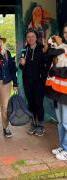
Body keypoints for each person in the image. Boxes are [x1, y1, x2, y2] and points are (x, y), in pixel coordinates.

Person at [19, 28, 47, 136]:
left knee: (38, 103)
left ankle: (40, 125)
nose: (30, 38)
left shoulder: (42, 48)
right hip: (27, 81)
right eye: (28, 37)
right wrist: (22, 64)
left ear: (36, 38)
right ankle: (33, 124)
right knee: (30, 103)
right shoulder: (24, 50)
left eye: (32, 36)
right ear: (26, 39)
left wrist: (42, 76)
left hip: (39, 81)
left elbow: (46, 64)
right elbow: (21, 67)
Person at [45, 25, 67, 160]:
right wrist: (50, 42)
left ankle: (66, 149)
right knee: (60, 122)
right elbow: (49, 53)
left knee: (66, 122)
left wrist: (55, 71)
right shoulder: (62, 47)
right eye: (65, 32)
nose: (66, 34)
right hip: (57, 90)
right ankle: (62, 145)